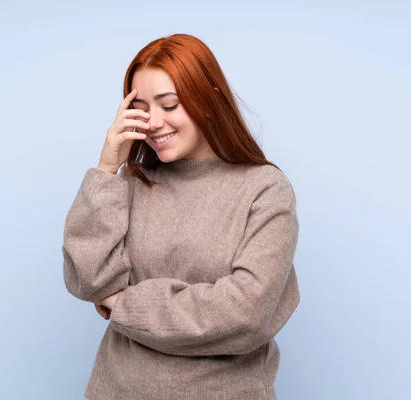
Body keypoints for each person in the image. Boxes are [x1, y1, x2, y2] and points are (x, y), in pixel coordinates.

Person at [62, 33, 299, 400]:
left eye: (169, 105)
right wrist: (107, 168)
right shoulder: (130, 182)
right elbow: (86, 280)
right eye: (141, 107)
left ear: (210, 100)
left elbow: (244, 314)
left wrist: (124, 303)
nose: (153, 122)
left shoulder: (264, 189)